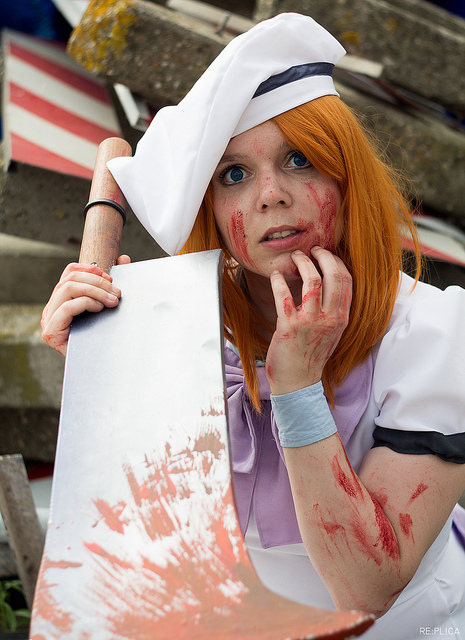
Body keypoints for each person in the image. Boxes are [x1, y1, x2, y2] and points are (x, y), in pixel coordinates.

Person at [41, 12, 465, 639]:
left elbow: (367, 589)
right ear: (211, 208)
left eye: (300, 159)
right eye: (233, 175)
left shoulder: (432, 333)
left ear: (347, 177)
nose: (270, 195)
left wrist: (298, 387)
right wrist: (97, 371)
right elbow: (149, 541)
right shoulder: (178, 329)